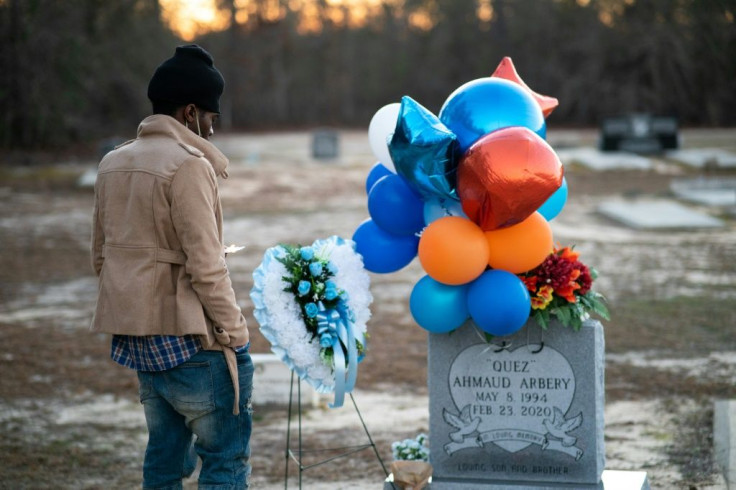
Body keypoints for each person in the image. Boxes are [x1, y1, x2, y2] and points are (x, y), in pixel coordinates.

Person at [90, 44, 253, 490]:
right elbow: (206, 267)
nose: (212, 131)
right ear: (190, 112)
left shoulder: (112, 162)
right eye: (211, 120)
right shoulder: (187, 166)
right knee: (225, 462)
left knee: (162, 462)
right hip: (193, 343)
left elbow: (100, 256)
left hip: (140, 343)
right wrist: (235, 334)